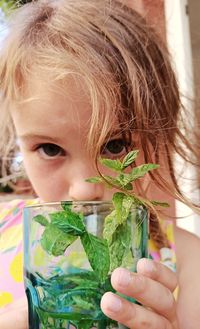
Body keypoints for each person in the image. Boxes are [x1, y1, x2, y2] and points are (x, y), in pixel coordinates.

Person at [0, 0, 200, 328]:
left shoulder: (189, 264)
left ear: (161, 134)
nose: (84, 189)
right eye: (50, 149)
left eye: (115, 145)